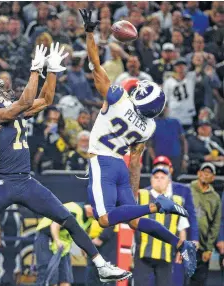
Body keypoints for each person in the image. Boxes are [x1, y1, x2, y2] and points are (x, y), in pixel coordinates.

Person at [0, 42, 130, 284]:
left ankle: (101, 265)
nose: (4, 91)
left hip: (26, 182)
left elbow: (46, 99)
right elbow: (26, 101)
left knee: (68, 219)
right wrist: (35, 69)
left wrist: (52, 72)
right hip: (3, 185)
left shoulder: (11, 110)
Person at [79, 8, 197, 278]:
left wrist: (89, 34)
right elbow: (134, 162)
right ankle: (181, 243)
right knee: (133, 221)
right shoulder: (150, 125)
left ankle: (158, 206)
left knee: (105, 219)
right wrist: (132, 195)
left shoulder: (119, 99)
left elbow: (96, 66)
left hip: (103, 161)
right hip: (120, 167)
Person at [134, 166, 189, 286]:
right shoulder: (141, 195)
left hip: (166, 255)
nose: (159, 180)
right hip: (142, 254)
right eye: (156, 177)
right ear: (151, 180)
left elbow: (182, 228)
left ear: (169, 181)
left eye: (162, 177)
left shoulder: (177, 201)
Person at [35, 202, 94, 286]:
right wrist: (57, 240)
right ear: (92, 208)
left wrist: (84, 248)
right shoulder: (74, 211)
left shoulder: (90, 219)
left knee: (65, 279)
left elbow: (84, 234)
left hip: (63, 245)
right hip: (47, 236)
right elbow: (54, 225)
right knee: (49, 276)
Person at [189, 162, 222, 286]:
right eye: (204, 171)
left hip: (202, 247)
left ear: (213, 178)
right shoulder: (187, 189)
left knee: (198, 281)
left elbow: (215, 224)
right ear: (198, 173)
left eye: (209, 173)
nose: (205, 174)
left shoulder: (215, 198)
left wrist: (209, 249)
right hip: (185, 244)